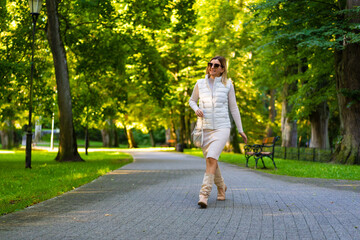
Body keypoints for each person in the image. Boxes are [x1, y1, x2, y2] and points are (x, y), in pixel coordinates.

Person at [189, 56, 247, 208]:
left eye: (216, 65)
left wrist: (240, 129)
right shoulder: (200, 83)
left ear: (222, 69)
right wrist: (196, 109)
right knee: (211, 160)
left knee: (211, 158)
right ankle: (222, 187)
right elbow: (192, 100)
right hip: (205, 128)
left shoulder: (228, 84)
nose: (212, 67)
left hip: (222, 127)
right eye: (210, 64)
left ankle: (204, 194)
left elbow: (234, 108)